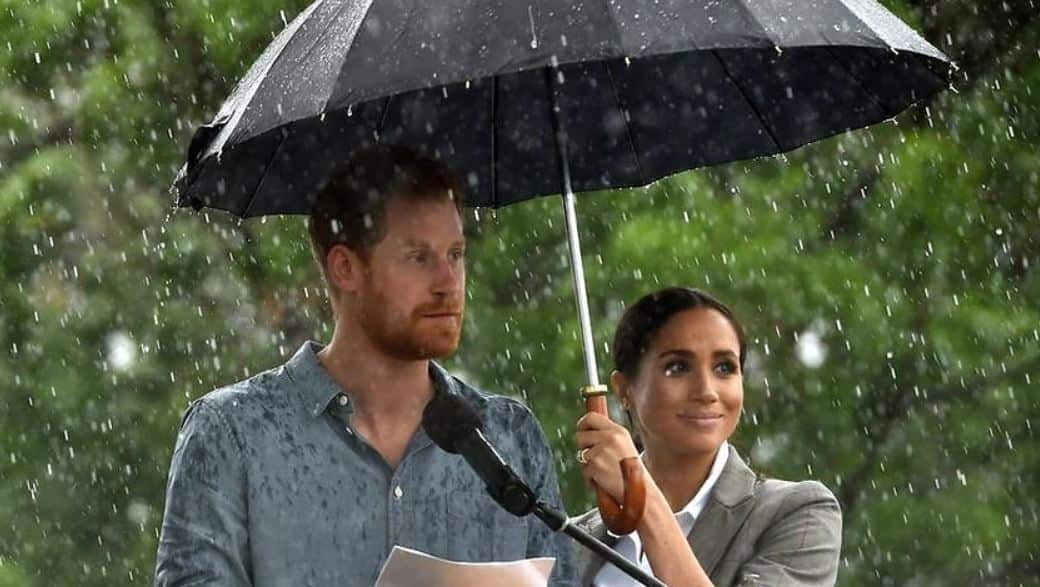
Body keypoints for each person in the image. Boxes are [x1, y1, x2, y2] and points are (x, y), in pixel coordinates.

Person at [155, 144, 577, 586]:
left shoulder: (511, 437)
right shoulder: (231, 433)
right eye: (419, 257)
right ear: (345, 268)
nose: (448, 284)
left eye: (455, 255)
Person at [573, 287, 841, 586]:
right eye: (678, 367)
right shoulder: (569, 540)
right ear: (624, 390)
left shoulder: (798, 514)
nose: (706, 391)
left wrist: (643, 499)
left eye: (724, 367)